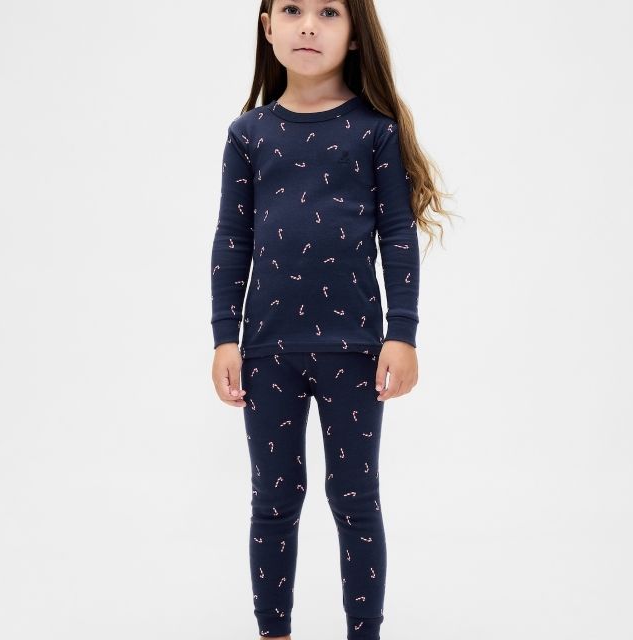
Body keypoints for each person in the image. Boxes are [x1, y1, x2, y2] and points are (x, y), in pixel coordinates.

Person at [210, 1, 453, 638]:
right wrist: (225, 338)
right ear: (268, 26)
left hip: (354, 349)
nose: (308, 25)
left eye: (328, 12)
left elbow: (397, 237)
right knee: (273, 499)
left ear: (355, 35)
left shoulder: (375, 132)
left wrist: (402, 334)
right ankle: (275, 632)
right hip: (267, 351)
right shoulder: (248, 134)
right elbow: (232, 239)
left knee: (354, 499)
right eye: (291, 9)